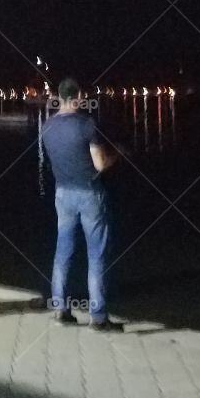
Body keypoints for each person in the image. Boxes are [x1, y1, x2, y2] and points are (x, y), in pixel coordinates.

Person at [40, 77, 123, 331]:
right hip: (89, 194)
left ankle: (60, 308)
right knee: (96, 254)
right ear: (77, 97)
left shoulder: (47, 127)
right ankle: (98, 317)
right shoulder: (87, 125)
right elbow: (99, 164)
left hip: (62, 194)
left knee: (63, 250)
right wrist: (116, 155)